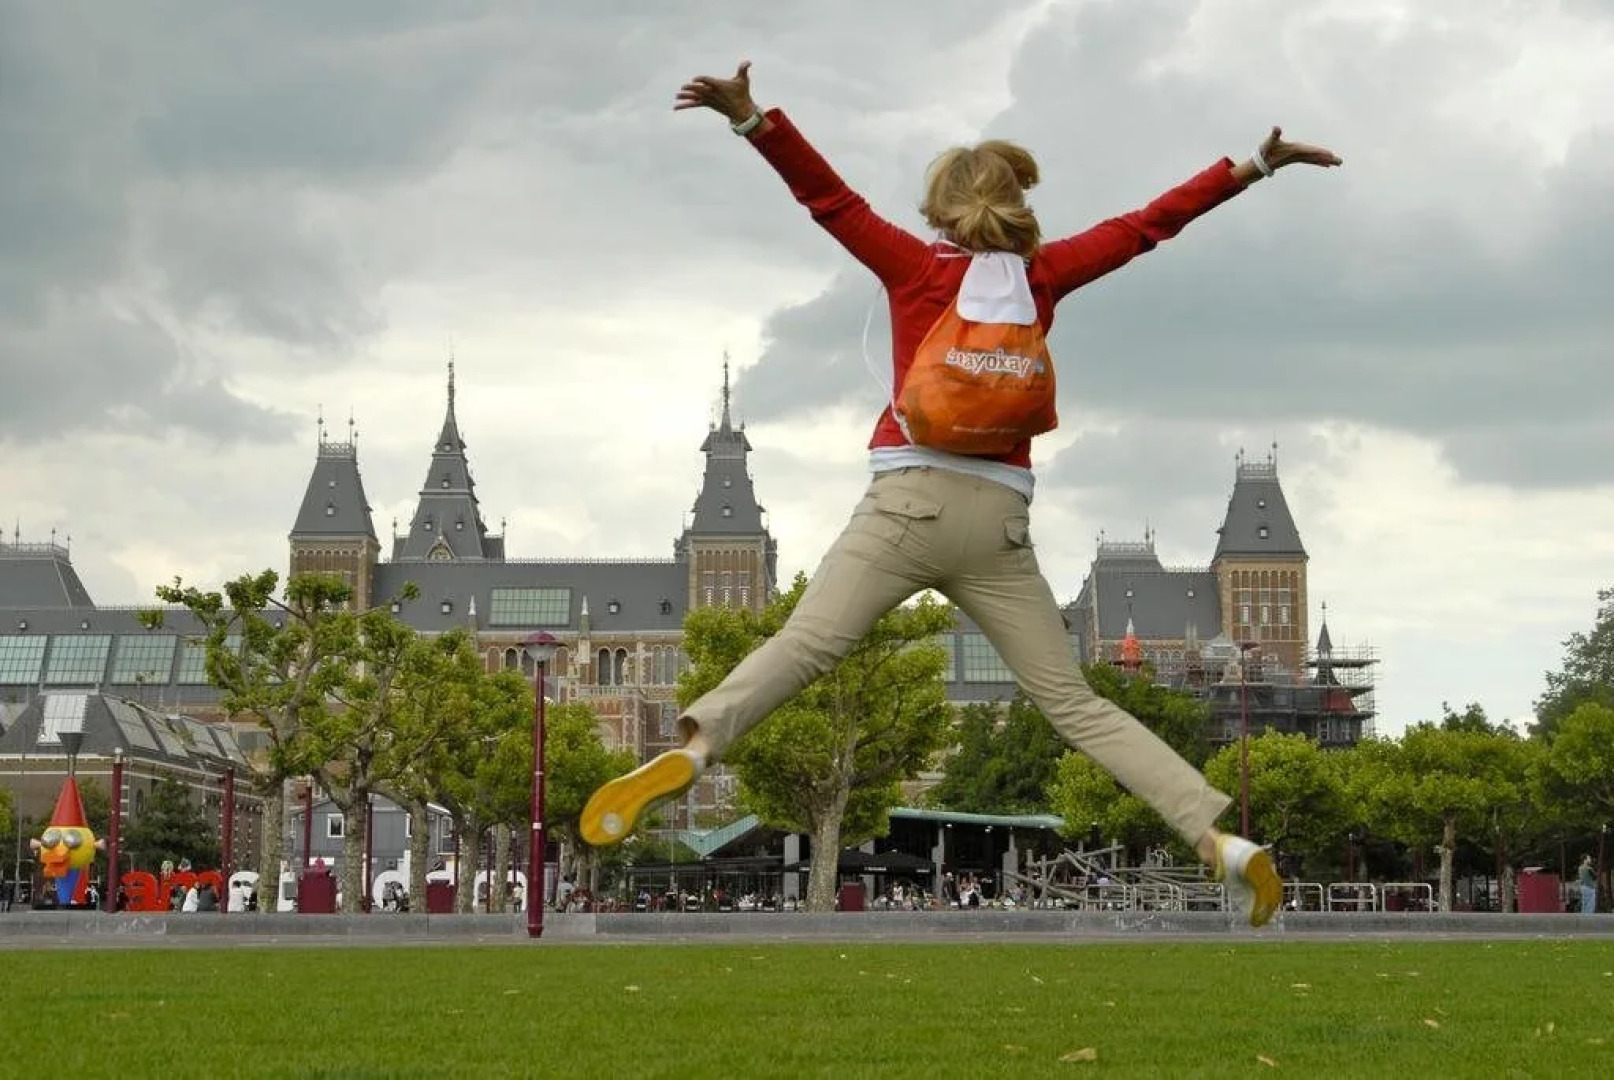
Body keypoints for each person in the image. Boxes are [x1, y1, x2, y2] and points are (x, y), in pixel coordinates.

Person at [580, 61, 1342, 929]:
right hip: (1000, 525)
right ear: (1018, 206)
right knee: (1073, 705)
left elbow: (827, 200)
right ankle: (1218, 841)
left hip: (905, 504)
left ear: (941, 210)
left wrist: (753, 118)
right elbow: (1145, 229)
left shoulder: (914, 269)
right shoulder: (1043, 279)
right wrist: (1250, 165)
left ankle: (699, 741)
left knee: (805, 645)